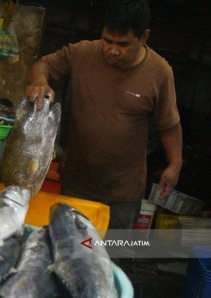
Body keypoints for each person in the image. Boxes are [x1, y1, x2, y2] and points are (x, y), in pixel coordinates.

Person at [25, 0, 183, 230]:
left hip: (122, 193)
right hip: (76, 182)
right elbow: (42, 65)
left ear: (144, 37)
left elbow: (169, 125)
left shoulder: (160, 72)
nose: (112, 50)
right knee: (71, 250)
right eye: (107, 40)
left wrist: (175, 164)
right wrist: (39, 80)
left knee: (109, 256)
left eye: (123, 44)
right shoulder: (83, 53)